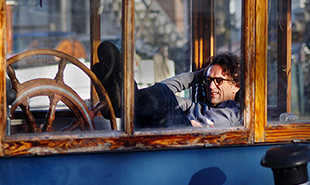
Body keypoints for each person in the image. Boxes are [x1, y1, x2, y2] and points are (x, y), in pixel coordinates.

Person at [92, 41, 242, 129]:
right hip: (174, 132)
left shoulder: (235, 114)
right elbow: (161, 91)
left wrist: (193, 124)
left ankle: (119, 100)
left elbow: (207, 131)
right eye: (208, 80)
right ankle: (119, 99)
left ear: (236, 85)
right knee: (157, 99)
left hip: (189, 142)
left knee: (162, 96)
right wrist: (197, 76)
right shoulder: (198, 107)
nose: (211, 86)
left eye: (218, 81)